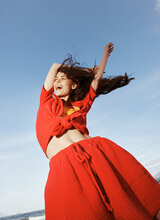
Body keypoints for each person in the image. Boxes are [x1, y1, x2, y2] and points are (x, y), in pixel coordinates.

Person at [36, 43, 160, 220]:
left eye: (63, 78)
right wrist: (86, 71)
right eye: (56, 79)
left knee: (144, 200)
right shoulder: (46, 100)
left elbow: (96, 81)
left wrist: (105, 57)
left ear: (73, 85)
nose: (57, 81)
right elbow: (56, 66)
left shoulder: (80, 106)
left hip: (98, 155)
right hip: (64, 168)